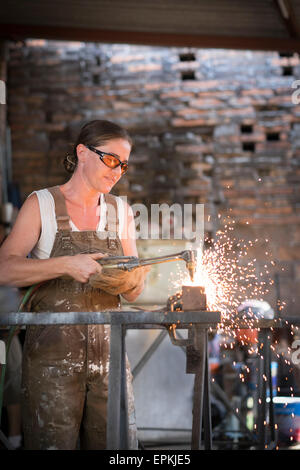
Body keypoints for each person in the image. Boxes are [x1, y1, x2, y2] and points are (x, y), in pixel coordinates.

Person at [0, 120, 146, 450]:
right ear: (82, 152)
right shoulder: (42, 205)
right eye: (111, 160)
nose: (118, 171)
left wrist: (131, 277)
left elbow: (135, 291)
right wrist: (66, 264)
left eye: (123, 164)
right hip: (52, 363)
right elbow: (4, 268)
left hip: (110, 361)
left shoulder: (121, 212)